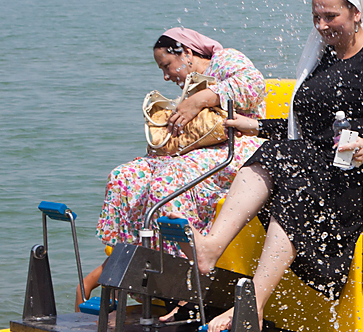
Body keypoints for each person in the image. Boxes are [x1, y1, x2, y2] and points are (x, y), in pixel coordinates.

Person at [187, 0, 363, 332]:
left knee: (301, 180)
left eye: (330, 17)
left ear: (356, 14)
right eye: (316, 17)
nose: (321, 26)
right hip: (339, 166)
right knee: (274, 154)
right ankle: (211, 248)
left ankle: (253, 305)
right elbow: (313, 128)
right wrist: (258, 127)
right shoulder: (325, 59)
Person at [80, 27, 265, 303]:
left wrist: (200, 99)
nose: (166, 76)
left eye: (167, 66)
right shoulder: (189, 85)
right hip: (198, 150)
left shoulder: (226, 60)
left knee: (169, 179)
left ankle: (178, 282)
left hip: (237, 145)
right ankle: (129, 260)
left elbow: (254, 86)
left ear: (187, 53)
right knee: (124, 176)